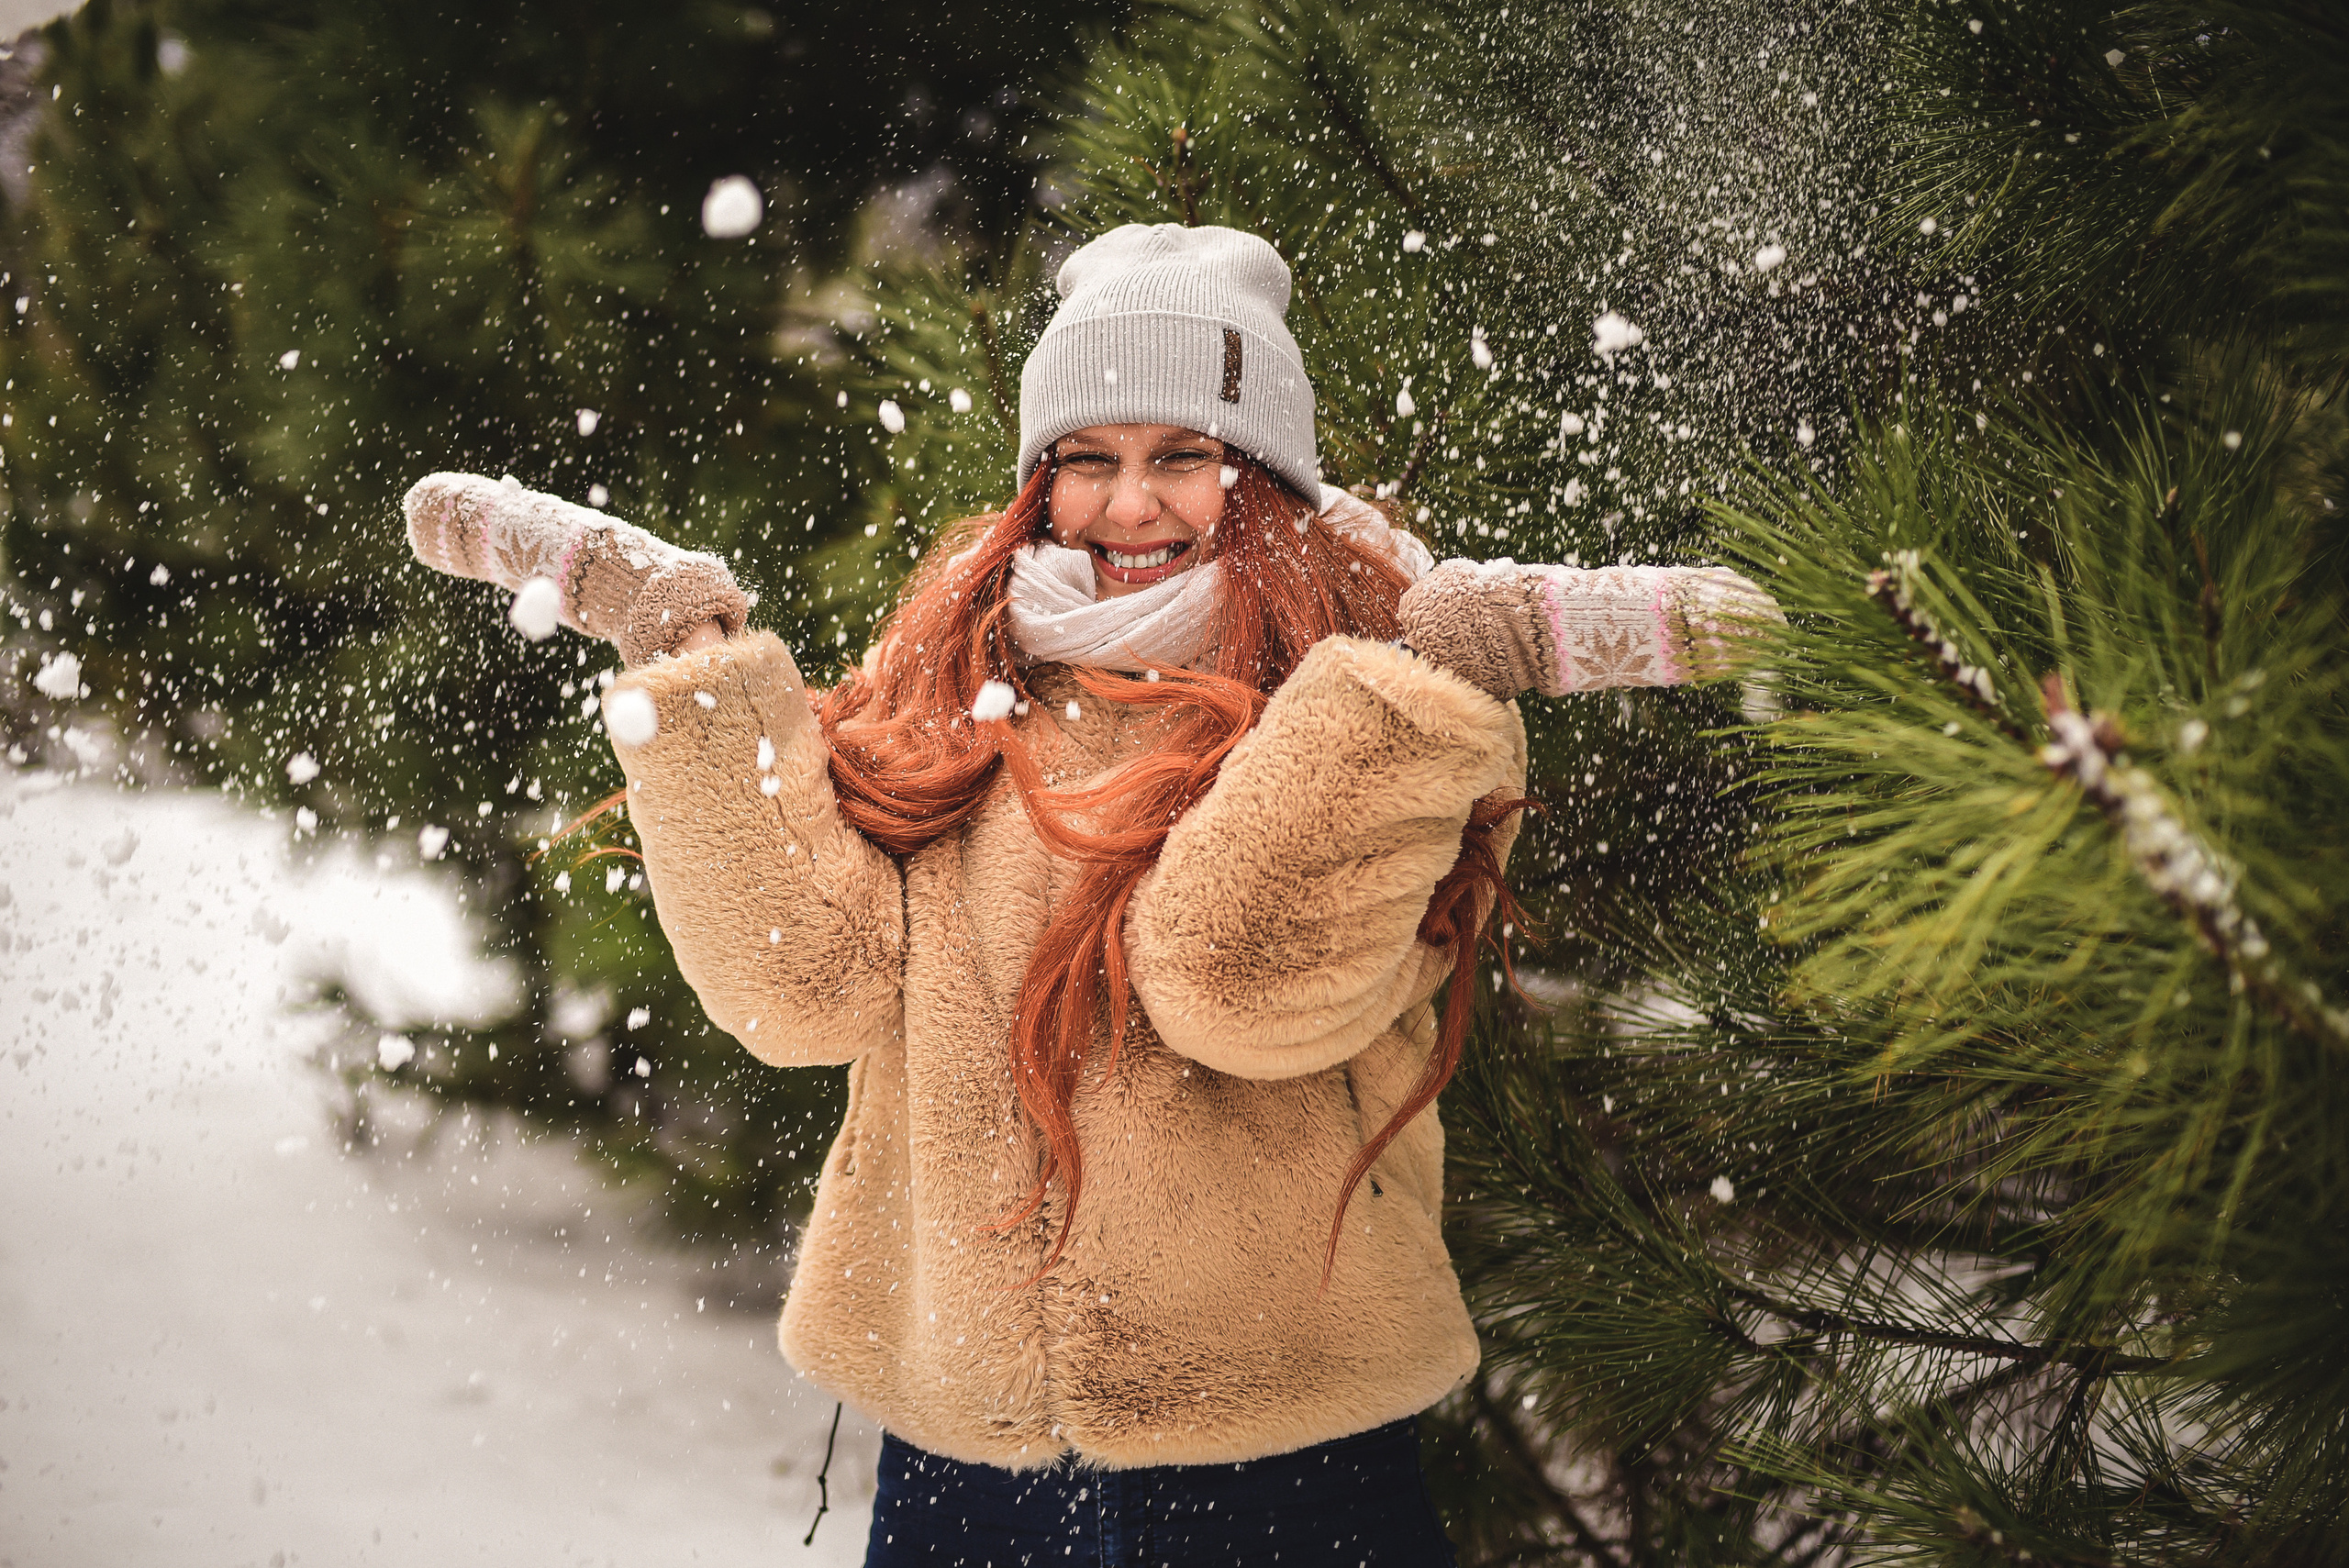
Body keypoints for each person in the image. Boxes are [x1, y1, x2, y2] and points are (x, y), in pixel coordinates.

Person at [404, 223, 1777, 1566]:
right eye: (1089, 461)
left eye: (1184, 457)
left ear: (1262, 478)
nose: (1131, 507)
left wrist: (1434, 669)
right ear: (1038, 482)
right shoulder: (951, 689)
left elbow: (1236, 989)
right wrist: (686, 653)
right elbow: (800, 985)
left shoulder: (1381, 714)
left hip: (1276, 1469)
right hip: (964, 1475)